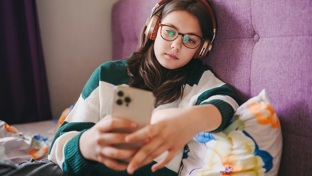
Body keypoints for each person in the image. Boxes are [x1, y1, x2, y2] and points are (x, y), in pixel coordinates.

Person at [48, 0, 241, 175]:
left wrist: (189, 121)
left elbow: (226, 100)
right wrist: (86, 145)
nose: (176, 46)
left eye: (190, 40)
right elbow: (58, 146)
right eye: (170, 31)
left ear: (202, 49)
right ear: (153, 29)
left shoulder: (198, 80)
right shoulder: (108, 74)